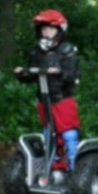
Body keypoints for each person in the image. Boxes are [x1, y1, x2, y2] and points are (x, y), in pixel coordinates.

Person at [14, 9, 82, 174]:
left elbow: (72, 75)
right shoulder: (36, 52)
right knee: (48, 134)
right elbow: (31, 76)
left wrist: (58, 72)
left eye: (51, 29)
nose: (47, 32)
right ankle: (52, 166)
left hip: (63, 99)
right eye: (44, 29)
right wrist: (22, 74)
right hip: (44, 100)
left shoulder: (68, 50)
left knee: (68, 135)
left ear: (59, 31)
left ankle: (76, 170)